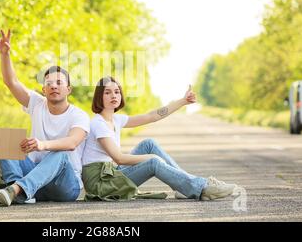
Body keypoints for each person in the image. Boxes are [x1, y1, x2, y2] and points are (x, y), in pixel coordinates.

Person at [81, 76, 237, 201]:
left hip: (110, 174)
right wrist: (152, 158)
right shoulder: (98, 123)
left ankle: (184, 187)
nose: (113, 95)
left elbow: (152, 116)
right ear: (99, 97)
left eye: (116, 92)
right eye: (107, 92)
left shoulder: (116, 119)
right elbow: (119, 159)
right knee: (153, 162)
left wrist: (183, 101)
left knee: (149, 144)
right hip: (101, 184)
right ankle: (201, 188)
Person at [0, 29, 90, 206]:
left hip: (65, 186)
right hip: (36, 180)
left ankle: (18, 189)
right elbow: (11, 82)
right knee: (5, 140)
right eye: (49, 84)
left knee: (60, 155)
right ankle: (15, 191)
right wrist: (5, 54)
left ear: (68, 89)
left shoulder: (79, 115)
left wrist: (41, 144)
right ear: (43, 90)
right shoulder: (37, 104)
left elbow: (72, 143)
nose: (54, 86)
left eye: (59, 83)